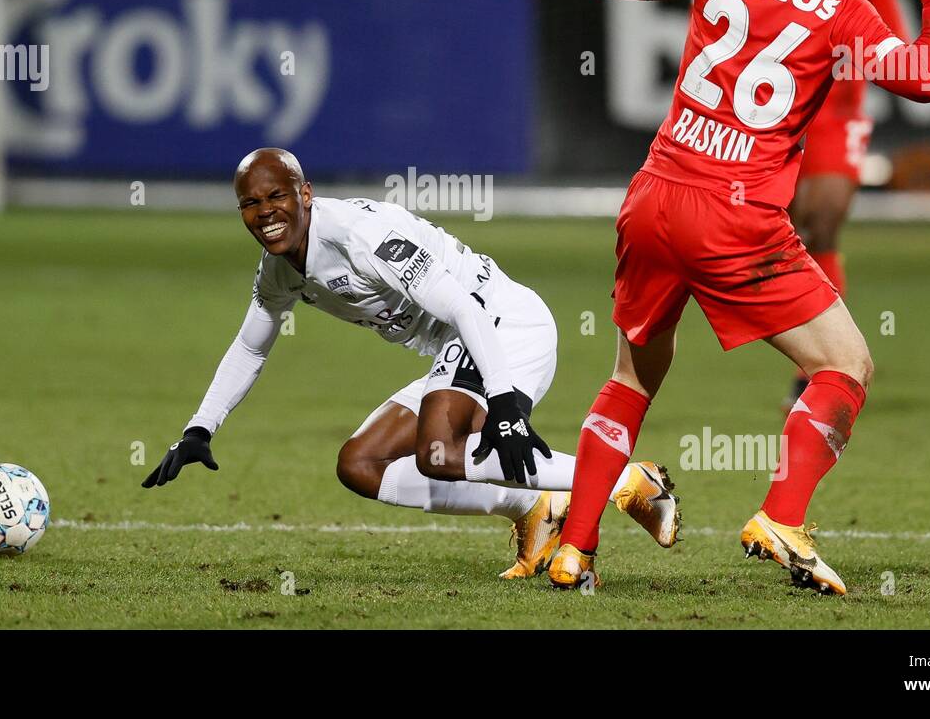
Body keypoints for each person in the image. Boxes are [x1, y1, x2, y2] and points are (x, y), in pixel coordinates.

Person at [551, 0, 930, 593]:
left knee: (630, 378)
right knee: (845, 366)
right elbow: (926, 78)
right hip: (734, 216)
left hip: (654, 195)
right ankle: (780, 516)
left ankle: (575, 551)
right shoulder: (843, 9)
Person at [142, 148, 679, 579]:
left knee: (439, 452)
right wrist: (199, 428)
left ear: (305, 194)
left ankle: (629, 481)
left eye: (276, 196)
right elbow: (251, 347)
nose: (265, 213)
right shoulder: (279, 270)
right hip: (460, 347)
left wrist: (507, 404)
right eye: (250, 205)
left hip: (502, 323)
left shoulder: (362, 237)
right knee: (359, 464)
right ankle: (531, 506)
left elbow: (464, 307)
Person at [736, 0, 910, 408]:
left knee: (824, 220)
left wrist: (896, 49)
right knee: (779, 229)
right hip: (777, 99)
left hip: (836, 100)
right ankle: (815, 348)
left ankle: (813, 374)